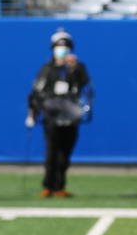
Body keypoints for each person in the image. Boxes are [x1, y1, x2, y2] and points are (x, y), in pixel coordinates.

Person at [26, 28, 92, 198]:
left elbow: (86, 85)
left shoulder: (77, 67)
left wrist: (74, 68)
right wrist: (32, 113)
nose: (62, 50)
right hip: (52, 116)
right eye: (58, 46)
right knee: (51, 153)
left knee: (65, 154)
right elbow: (36, 92)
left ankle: (60, 186)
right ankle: (48, 186)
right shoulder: (47, 69)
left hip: (70, 115)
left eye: (65, 46)